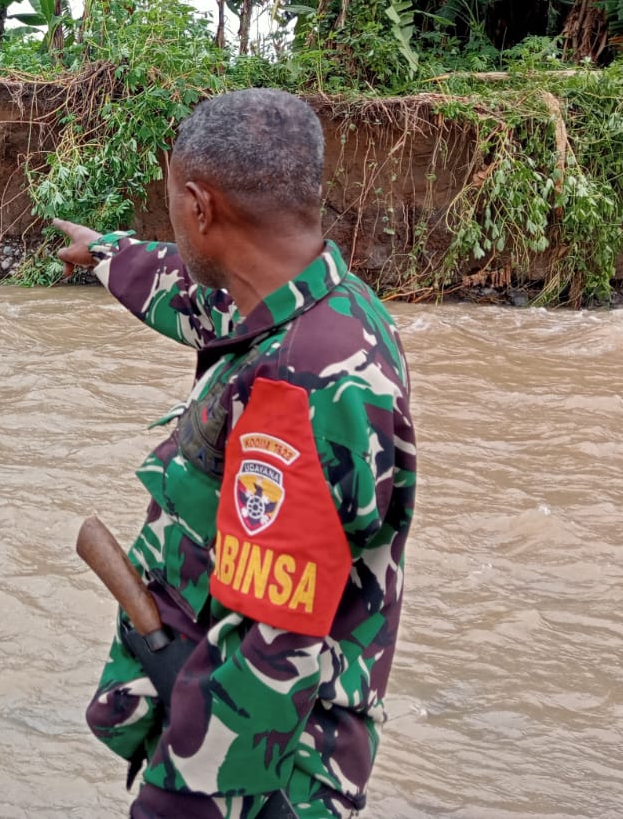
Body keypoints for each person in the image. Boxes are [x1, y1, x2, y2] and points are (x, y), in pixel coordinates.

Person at [55, 88, 415, 819]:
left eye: (172, 209)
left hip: (259, 767)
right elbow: (193, 298)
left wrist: (180, 796)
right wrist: (106, 254)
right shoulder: (314, 305)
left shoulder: (299, 383)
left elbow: (275, 644)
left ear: (198, 206)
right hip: (226, 709)